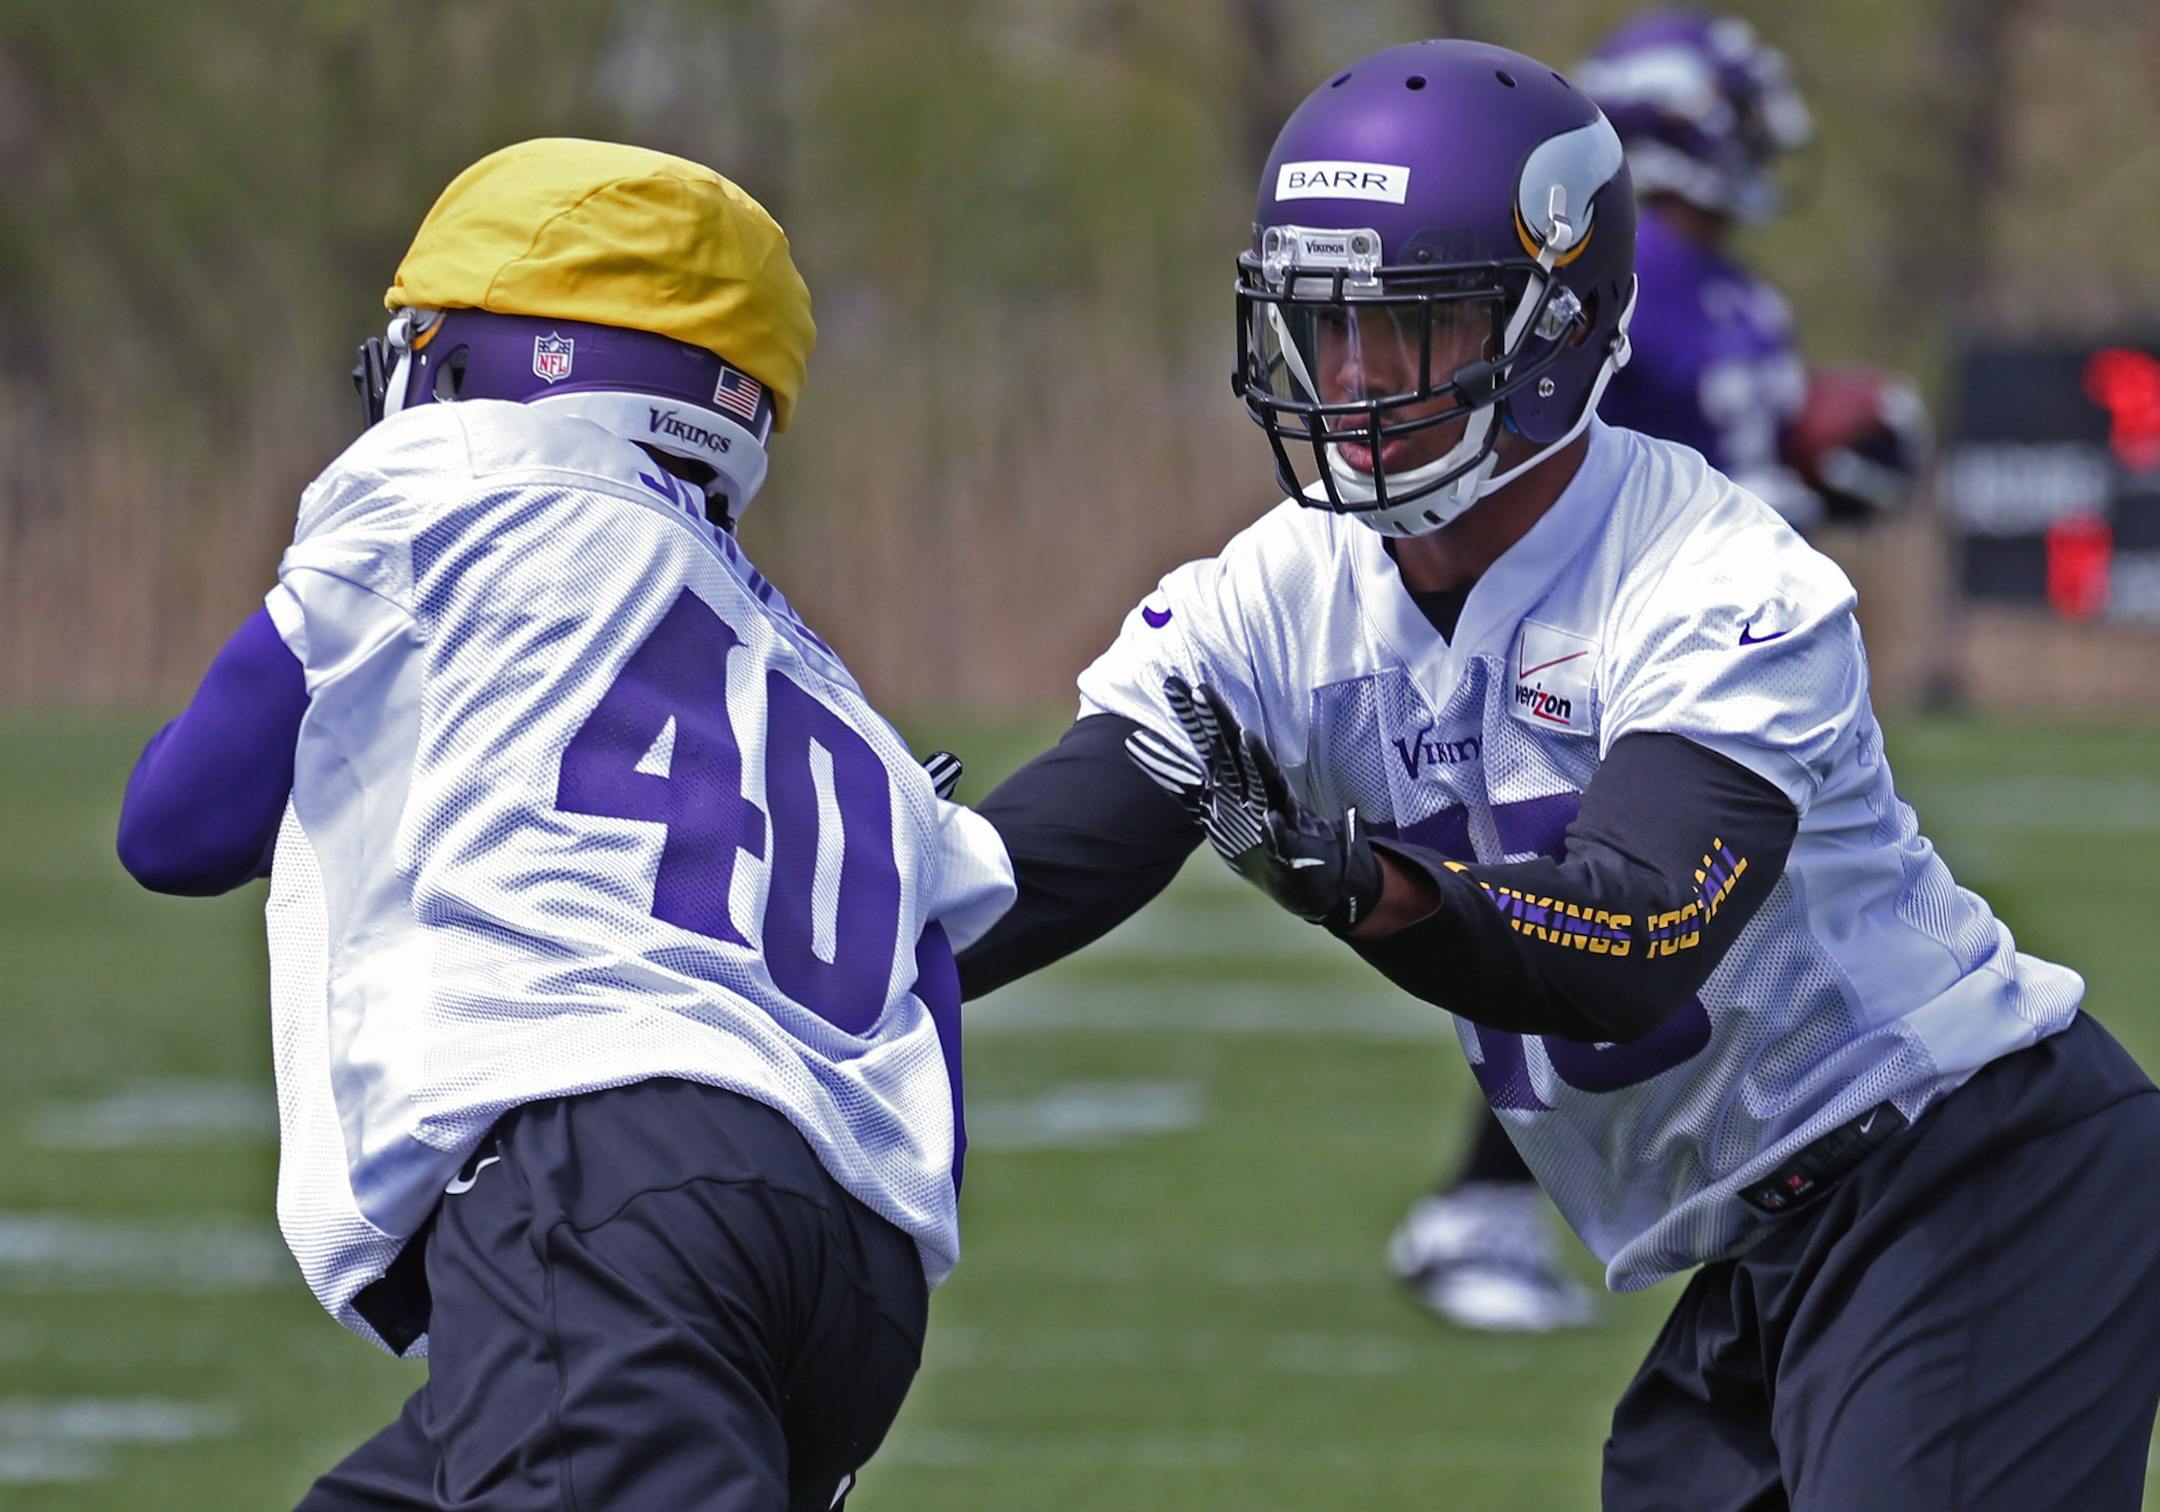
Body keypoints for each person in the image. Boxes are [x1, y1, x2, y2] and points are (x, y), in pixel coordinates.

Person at [956, 39, 2160, 1507]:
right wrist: (842, 941)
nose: (1348, 379)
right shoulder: (1284, 591)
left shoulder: (1711, 576)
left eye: (1408, 329)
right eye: (1321, 325)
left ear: (1551, 332)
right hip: (1766, 1249)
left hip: (1974, 1190)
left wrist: (1378, 891)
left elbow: (1637, 936)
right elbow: (1047, 856)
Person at [116, 138, 1014, 1511]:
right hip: (854, 1277)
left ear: (501, 353)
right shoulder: (825, 685)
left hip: (610, 1192)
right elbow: (928, 1029)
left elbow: (175, 826)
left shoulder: (464, 471)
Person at [1389, 7, 1930, 1333]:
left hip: (1707, 647)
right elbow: (1585, 470)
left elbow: (1729, 490)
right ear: (1685, 124)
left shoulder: (1729, 292)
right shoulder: (1614, 284)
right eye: (1739, 125)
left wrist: (1825, 473)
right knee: (1608, 926)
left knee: (1679, 936)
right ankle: (1481, 1212)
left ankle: (1549, 1206)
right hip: (1598, 650)